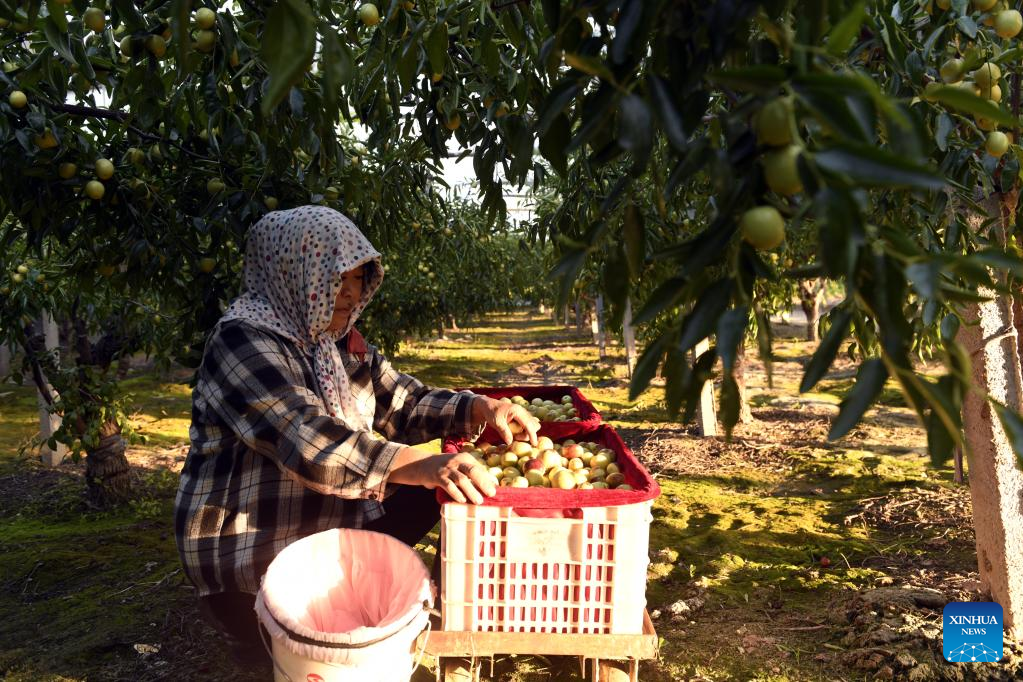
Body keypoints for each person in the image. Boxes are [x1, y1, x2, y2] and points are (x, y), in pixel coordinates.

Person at [173, 205, 538, 660]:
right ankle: (272, 627)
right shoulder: (242, 341)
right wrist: (417, 463)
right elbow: (306, 439)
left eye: (357, 278)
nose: (349, 293)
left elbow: (403, 401)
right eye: (334, 278)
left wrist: (480, 408)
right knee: (427, 480)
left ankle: (392, 596)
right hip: (254, 562)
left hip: (330, 530)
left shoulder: (336, 342)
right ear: (292, 272)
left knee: (446, 491)